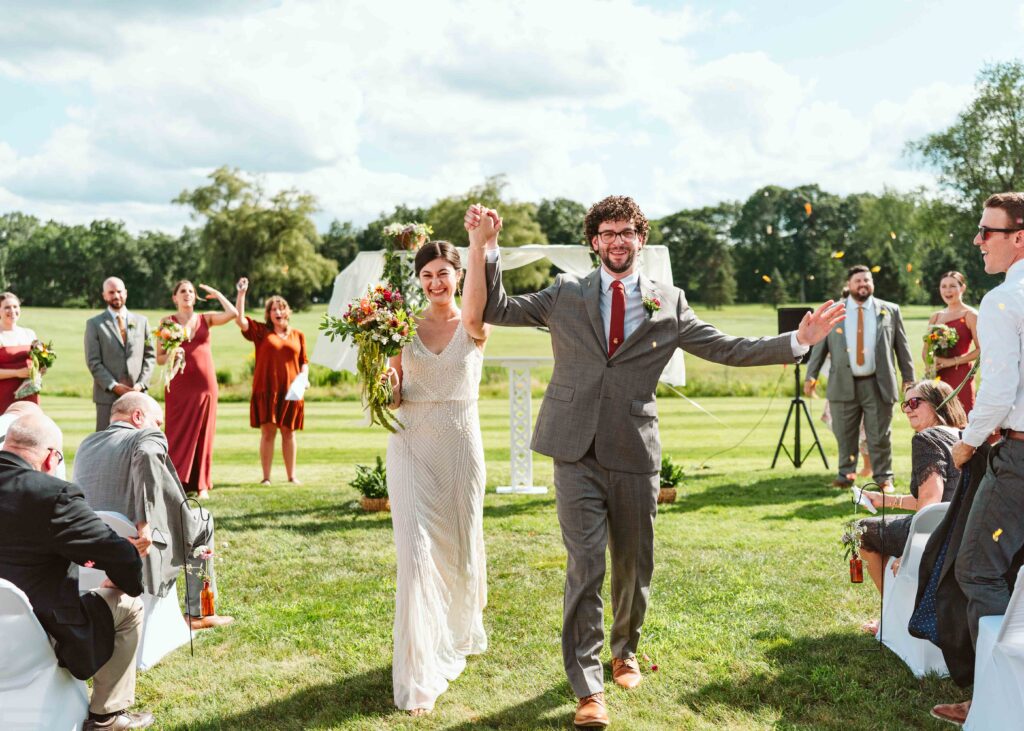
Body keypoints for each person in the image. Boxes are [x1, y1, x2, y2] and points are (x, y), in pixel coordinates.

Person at [466, 197, 843, 728]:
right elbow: (497, 310)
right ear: (594, 241)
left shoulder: (670, 302)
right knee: (586, 565)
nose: (617, 240)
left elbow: (727, 348)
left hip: (633, 450)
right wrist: (487, 247)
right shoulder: (566, 292)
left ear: (640, 240)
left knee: (634, 564)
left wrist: (798, 341)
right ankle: (588, 687)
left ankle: (625, 650)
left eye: (627, 232)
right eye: (607, 232)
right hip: (573, 449)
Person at [383, 241, 490, 715]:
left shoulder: (475, 322)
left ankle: (452, 632)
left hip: (461, 447)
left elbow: (478, 305)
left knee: (458, 551)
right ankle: (417, 671)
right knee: (415, 555)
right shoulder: (398, 328)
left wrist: (480, 243)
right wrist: (382, 383)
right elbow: (391, 398)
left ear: (458, 274)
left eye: (443, 273)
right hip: (410, 446)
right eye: (426, 274)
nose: (434, 282)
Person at [0, 413, 154, 730]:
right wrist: (121, 582)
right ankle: (106, 715)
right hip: (32, 634)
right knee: (130, 606)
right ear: (51, 458)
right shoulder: (52, 495)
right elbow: (121, 553)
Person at [934, 192, 1024, 726]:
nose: (977, 241)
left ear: (1019, 237)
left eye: (986, 231)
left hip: (1017, 455)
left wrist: (966, 443)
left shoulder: (1002, 300)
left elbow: (998, 389)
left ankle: (997, 700)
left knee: (977, 569)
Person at [73, 392, 233, 630]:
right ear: (138, 416)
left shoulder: (87, 443)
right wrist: (144, 522)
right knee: (202, 519)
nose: (160, 429)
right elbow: (148, 454)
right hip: (137, 544)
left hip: (92, 545)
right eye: (158, 423)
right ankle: (199, 613)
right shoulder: (147, 436)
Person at [855, 379, 966, 634]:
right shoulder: (964, 436)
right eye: (905, 404)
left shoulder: (927, 438)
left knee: (861, 531)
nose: (907, 410)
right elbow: (940, 496)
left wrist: (913, 550)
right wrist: (887, 501)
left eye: (915, 402)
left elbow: (930, 501)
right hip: (960, 530)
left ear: (939, 404)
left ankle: (894, 615)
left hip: (937, 533)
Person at [804, 265, 915, 490]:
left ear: (872, 283)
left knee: (880, 435)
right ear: (849, 285)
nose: (863, 284)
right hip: (842, 383)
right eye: (858, 281)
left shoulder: (890, 310)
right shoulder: (835, 311)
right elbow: (819, 348)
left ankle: (884, 478)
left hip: (878, 383)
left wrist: (909, 378)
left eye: (867, 280)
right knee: (845, 434)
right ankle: (846, 476)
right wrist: (811, 376)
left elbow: (902, 347)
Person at [156, 280, 238, 499]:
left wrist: (217, 293)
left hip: (205, 385)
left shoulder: (206, 319)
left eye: (191, 291)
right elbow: (160, 358)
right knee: (176, 432)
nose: (187, 294)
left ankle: (202, 484)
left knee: (204, 432)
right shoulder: (167, 322)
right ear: (175, 297)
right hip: (179, 385)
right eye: (183, 291)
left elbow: (233, 313)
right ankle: (176, 481)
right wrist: (174, 353)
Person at [234, 279, 308, 484]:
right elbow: (240, 321)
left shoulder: (298, 335)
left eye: (281, 308)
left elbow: (304, 362)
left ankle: (292, 477)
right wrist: (241, 294)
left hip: (292, 391)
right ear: (268, 314)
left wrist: (304, 378)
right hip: (266, 389)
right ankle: (266, 478)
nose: (278, 312)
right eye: (274, 309)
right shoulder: (261, 332)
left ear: (287, 312)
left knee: (289, 432)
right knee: (268, 433)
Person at [84, 277, 156, 432]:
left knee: (139, 441)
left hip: (138, 395)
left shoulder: (142, 321)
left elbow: (150, 356)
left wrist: (141, 384)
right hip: (107, 396)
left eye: (119, 291)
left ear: (126, 293)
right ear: (104, 295)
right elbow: (93, 361)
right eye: (111, 292)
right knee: (107, 443)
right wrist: (114, 386)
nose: (116, 296)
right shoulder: (94, 324)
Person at [924, 271, 979, 416]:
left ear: (962, 288)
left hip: (961, 376)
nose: (947, 290)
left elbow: (981, 350)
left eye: (952, 286)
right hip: (938, 377)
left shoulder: (971, 315)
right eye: (943, 286)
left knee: (963, 416)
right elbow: (926, 350)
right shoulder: (936, 317)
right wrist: (930, 363)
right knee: (940, 419)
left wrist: (952, 362)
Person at [0, 292, 39, 412]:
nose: (12, 310)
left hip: (29, 395)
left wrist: (40, 370)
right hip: (3, 394)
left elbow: (38, 363)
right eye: (7, 307)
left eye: (15, 306)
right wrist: (17, 373)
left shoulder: (30, 333)